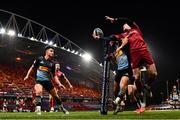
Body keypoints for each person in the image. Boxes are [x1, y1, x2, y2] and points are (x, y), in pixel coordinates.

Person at [105, 16, 158, 113]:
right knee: (136, 78)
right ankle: (139, 105)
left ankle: (147, 86)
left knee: (154, 74)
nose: (124, 25)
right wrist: (102, 38)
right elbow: (113, 36)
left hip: (144, 51)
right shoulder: (124, 35)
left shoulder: (135, 29)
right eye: (123, 26)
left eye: (125, 24)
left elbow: (127, 20)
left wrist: (114, 19)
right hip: (134, 54)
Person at [92, 31, 133, 114]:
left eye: (111, 42)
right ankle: (119, 105)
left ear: (114, 41)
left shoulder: (122, 44)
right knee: (115, 88)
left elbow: (126, 40)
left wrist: (100, 37)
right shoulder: (114, 50)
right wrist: (111, 58)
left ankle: (117, 101)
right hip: (119, 70)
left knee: (122, 85)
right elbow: (114, 60)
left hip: (127, 69)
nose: (110, 43)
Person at [24, 45, 69, 115]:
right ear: (46, 51)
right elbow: (32, 68)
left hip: (47, 81)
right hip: (39, 80)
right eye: (51, 51)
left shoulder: (53, 64)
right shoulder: (39, 59)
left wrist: (59, 84)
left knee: (56, 96)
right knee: (39, 92)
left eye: (53, 51)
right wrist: (27, 76)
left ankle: (62, 108)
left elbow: (54, 76)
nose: (52, 52)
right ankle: (38, 109)